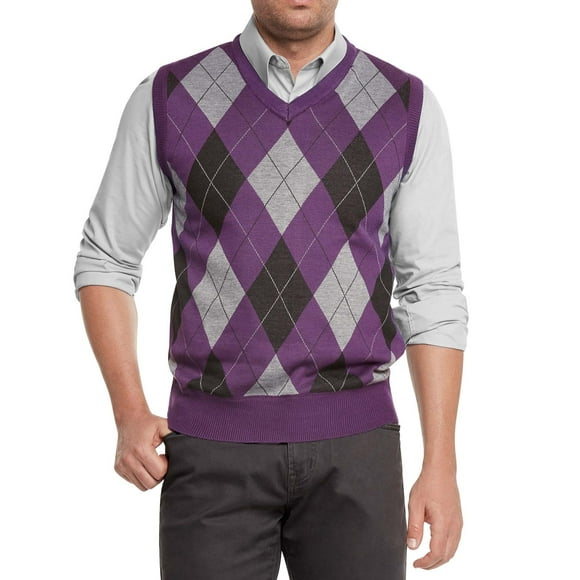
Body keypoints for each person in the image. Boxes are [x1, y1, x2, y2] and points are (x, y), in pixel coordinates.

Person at [73, 1, 468, 578]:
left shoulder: (404, 104)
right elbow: (106, 259)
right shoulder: (170, 96)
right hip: (210, 451)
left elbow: (431, 287)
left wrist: (441, 463)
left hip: (358, 451)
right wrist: (129, 412)